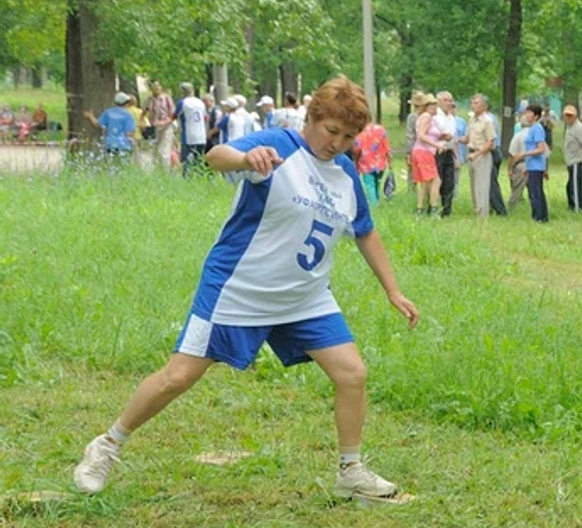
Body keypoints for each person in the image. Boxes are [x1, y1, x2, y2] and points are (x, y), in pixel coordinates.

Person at [71, 75, 420, 501]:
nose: (337, 143)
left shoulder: (346, 172)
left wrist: (392, 291)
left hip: (304, 296)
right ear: (311, 119)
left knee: (352, 374)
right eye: (332, 131)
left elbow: (364, 230)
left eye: (348, 137)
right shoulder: (278, 145)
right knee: (177, 377)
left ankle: (351, 472)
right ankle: (107, 445)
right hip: (238, 288)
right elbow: (215, 156)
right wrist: (244, 158)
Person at [513, 103, 550, 222]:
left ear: (536, 116)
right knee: (535, 192)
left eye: (529, 113)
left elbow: (541, 149)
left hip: (536, 166)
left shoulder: (537, 129)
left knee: (535, 193)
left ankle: (538, 217)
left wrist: (523, 154)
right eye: (526, 112)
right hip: (531, 166)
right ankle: (541, 216)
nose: (527, 115)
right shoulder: (531, 129)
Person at [411, 95, 443, 215]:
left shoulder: (427, 117)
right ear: (426, 106)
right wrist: (437, 145)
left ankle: (420, 210)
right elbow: (421, 135)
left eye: (435, 104)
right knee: (436, 181)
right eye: (432, 104)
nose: (435, 107)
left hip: (421, 151)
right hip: (424, 152)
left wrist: (442, 136)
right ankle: (433, 209)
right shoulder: (427, 117)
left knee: (423, 182)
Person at [466, 93, 497, 218]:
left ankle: (483, 215)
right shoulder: (471, 120)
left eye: (476, 103)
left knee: (482, 186)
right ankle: (476, 211)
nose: (473, 105)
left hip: (482, 155)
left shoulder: (488, 121)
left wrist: (477, 154)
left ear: (484, 106)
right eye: (472, 103)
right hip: (471, 153)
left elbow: (490, 143)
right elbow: (468, 138)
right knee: (473, 185)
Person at [81, 91, 137, 159]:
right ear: (126, 103)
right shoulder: (127, 115)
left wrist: (90, 117)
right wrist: (135, 145)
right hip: (123, 146)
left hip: (110, 144)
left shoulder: (108, 112)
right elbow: (129, 133)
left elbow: (98, 124)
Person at [434, 91, 460, 217]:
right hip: (437, 151)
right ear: (439, 102)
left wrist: (456, 156)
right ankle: (433, 206)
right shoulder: (434, 116)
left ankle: (447, 209)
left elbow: (454, 138)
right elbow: (429, 135)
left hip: (449, 151)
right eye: (446, 100)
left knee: (449, 181)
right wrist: (442, 136)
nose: (449, 103)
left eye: (450, 100)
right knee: (437, 180)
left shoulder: (452, 118)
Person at [354, 118, 390, 204]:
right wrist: (389, 159)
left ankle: (374, 204)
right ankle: (377, 199)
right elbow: (386, 146)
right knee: (377, 183)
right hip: (381, 163)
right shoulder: (381, 129)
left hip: (366, 163)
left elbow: (357, 149)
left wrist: (356, 162)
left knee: (370, 184)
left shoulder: (361, 132)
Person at [563, 104, 582, 212]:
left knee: (575, 186)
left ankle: (578, 208)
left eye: (570, 115)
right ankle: (571, 207)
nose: (568, 117)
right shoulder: (569, 127)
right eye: (566, 115)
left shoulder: (578, 128)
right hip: (570, 161)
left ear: (575, 116)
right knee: (570, 186)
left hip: (577, 160)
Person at [178, 82, 209, 176]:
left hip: (188, 135)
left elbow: (174, 115)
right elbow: (205, 118)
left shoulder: (183, 103)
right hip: (201, 135)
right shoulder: (200, 102)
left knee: (187, 158)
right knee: (199, 157)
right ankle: (200, 175)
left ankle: (186, 176)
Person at [148, 81, 176, 168]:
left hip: (167, 127)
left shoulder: (167, 98)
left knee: (164, 150)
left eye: (158, 86)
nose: (156, 89)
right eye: (154, 87)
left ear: (161, 88)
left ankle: (166, 170)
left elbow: (173, 115)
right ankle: (158, 170)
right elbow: (145, 112)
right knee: (156, 151)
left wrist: (164, 122)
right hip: (155, 128)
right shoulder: (149, 100)